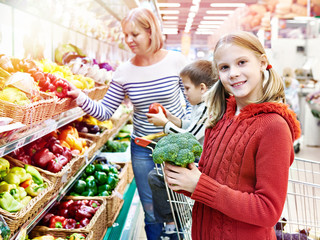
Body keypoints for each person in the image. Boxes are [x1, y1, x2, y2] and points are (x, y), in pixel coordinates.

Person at [163, 31, 301, 240]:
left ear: (262, 63)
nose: (233, 73)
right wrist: (184, 180)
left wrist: (199, 185)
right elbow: (211, 185)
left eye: (242, 62)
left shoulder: (274, 126)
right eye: (224, 67)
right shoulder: (218, 118)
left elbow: (267, 210)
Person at [67, 7, 191, 240]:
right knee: (151, 209)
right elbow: (104, 112)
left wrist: (187, 128)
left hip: (175, 144)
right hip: (143, 149)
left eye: (135, 34)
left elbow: (191, 102)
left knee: (178, 206)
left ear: (151, 32)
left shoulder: (176, 61)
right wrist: (80, 97)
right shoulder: (124, 72)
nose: (129, 40)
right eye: (126, 35)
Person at [146, 60, 218, 239]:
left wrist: (165, 125)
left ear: (202, 88)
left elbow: (190, 136)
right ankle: (175, 220)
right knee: (159, 176)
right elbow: (191, 127)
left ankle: (173, 223)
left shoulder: (208, 107)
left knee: (156, 177)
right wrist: (173, 120)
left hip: (201, 162)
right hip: (198, 158)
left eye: (186, 88)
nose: (184, 93)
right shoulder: (199, 106)